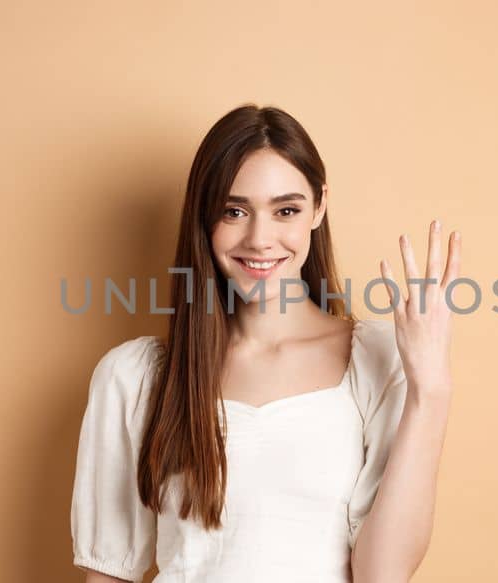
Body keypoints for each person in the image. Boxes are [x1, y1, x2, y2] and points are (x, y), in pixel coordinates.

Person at [70, 104, 461, 582]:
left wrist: (431, 390)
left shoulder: (376, 360)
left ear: (318, 207)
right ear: (203, 216)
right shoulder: (135, 376)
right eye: (234, 211)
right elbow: (107, 575)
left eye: (286, 210)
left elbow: (382, 574)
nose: (260, 238)